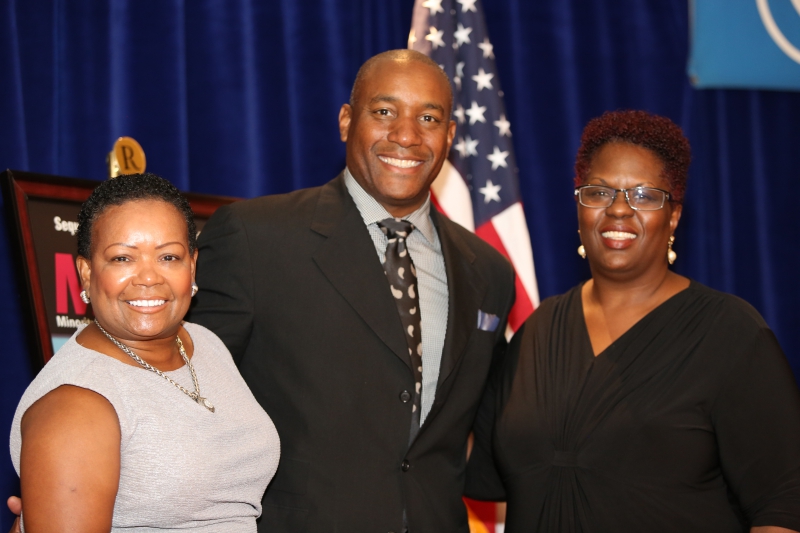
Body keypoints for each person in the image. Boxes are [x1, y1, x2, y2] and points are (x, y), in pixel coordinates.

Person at [187, 49, 516, 532]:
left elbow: (495, 427)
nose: (406, 135)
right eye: (384, 112)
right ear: (346, 121)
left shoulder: (488, 271)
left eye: (428, 118)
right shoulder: (256, 238)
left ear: (449, 136)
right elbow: (187, 398)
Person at [464, 110, 800, 532]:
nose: (619, 210)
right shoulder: (538, 331)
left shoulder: (730, 333)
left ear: (673, 215)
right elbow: (480, 469)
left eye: (643, 195)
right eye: (599, 192)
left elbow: (783, 502)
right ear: (580, 208)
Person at [9, 173, 280, 532]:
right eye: (123, 258)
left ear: (192, 266)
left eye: (168, 256)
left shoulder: (205, 343)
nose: (149, 278)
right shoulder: (74, 405)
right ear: (86, 273)